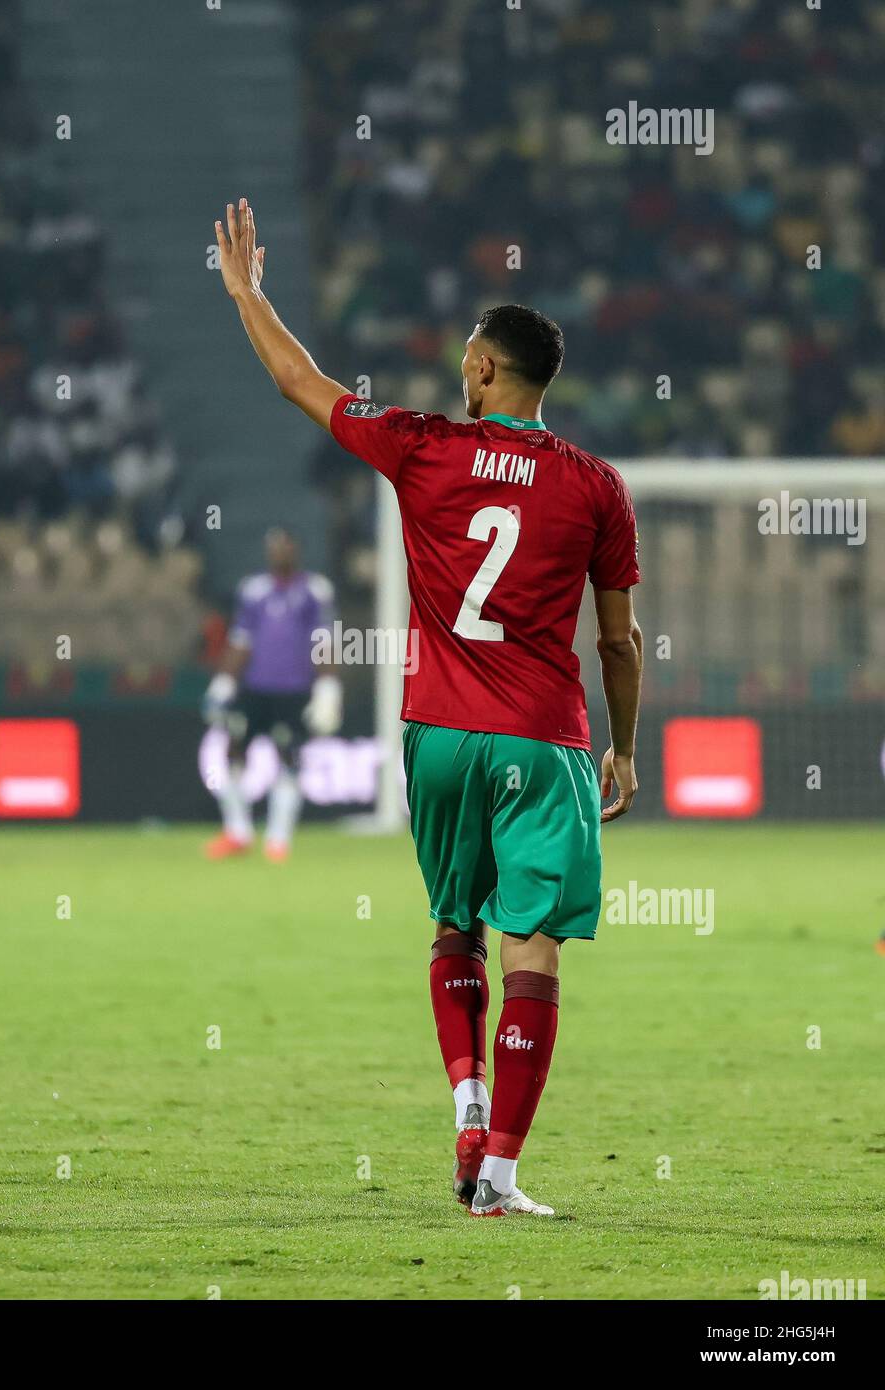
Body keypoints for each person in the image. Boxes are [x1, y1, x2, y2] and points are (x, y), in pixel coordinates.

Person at [214, 198, 642, 1217]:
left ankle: (463, 1101)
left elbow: (294, 380)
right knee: (529, 946)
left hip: (438, 734)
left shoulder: (421, 448)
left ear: (486, 372)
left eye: (466, 356)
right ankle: (494, 1172)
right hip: (542, 743)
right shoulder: (594, 486)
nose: (460, 367)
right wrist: (621, 749)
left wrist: (245, 290)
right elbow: (616, 639)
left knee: (452, 926)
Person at [203, 527, 341, 862]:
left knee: (289, 756)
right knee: (233, 749)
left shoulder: (314, 590)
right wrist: (223, 681)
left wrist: (327, 686)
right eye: (273, 546)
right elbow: (241, 640)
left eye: (284, 546)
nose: (278, 552)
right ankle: (238, 831)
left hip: (293, 690)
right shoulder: (254, 589)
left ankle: (278, 839)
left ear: (295, 549)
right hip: (255, 688)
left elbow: (324, 640)